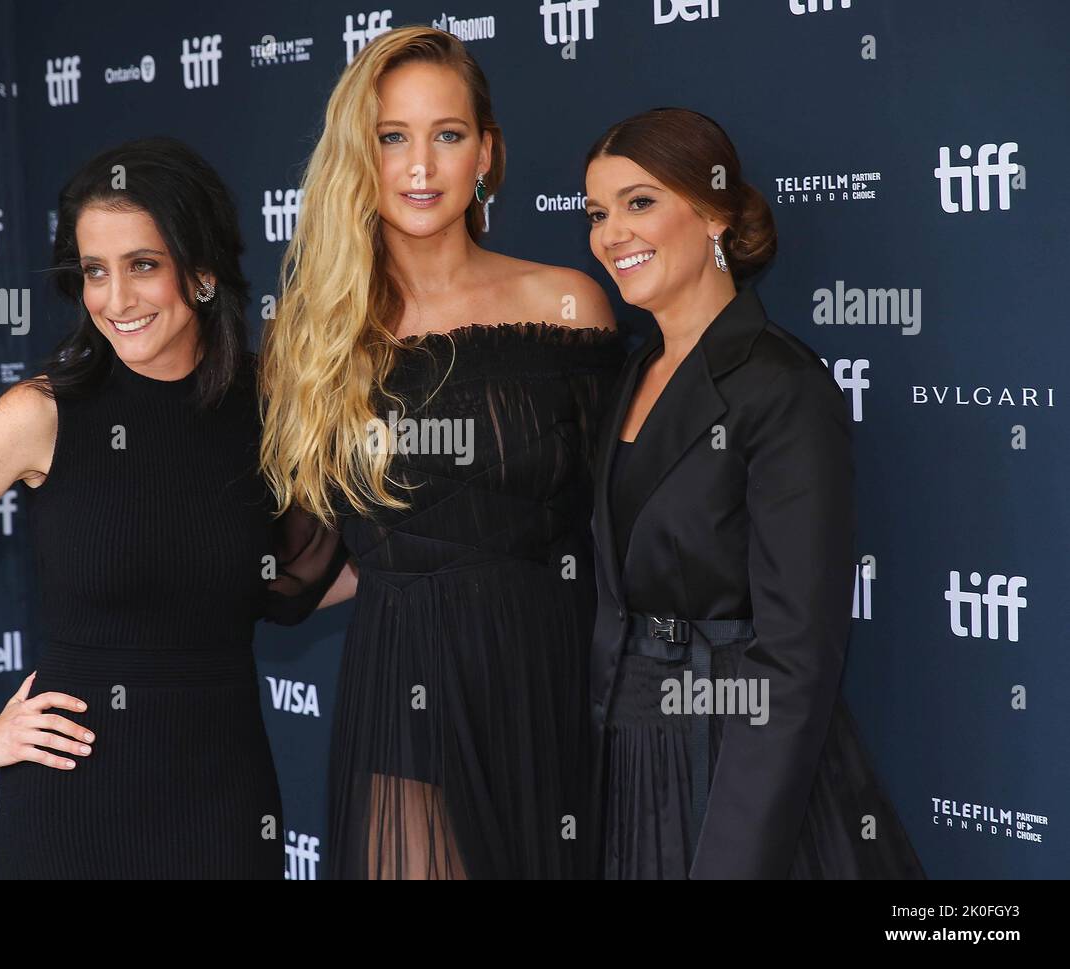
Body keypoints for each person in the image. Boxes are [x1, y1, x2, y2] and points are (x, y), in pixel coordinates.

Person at [0, 136, 344, 879]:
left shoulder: (269, 408)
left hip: (226, 801)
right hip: (72, 804)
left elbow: (301, 574)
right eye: (94, 272)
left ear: (203, 270)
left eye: (143, 265)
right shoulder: (42, 413)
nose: (117, 299)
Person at [259, 27, 624, 879]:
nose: (420, 166)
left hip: (553, 675)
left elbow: (624, 517)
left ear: (486, 153)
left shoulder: (569, 305)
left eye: (447, 135)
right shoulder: (316, 342)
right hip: (405, 681)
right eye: (393, 137)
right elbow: (306, 562)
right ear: (361, 155)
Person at [583, 107, 925, 878]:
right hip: (632, 759)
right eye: (598, 213)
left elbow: (797, 650)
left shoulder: (783, 385)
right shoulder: (631, 376)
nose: (611, 233)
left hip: (736, 761)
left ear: (712, 213)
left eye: (640, 202)